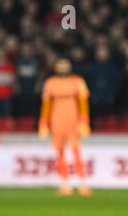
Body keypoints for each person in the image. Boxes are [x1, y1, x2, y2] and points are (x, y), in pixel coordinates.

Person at [38, 58, 91, 196]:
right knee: (60, 151)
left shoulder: (78, 81)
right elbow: (46, 104)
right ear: (56, 67)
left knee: (76, 151)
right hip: (57, 119)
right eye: (60, 65)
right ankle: (64, 183)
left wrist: (84, 121)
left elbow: (83, 103)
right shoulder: (50, 83)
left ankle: (83, 183)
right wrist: (43, 123)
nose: (63, 67)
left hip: (73, 118)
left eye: (65, 65)